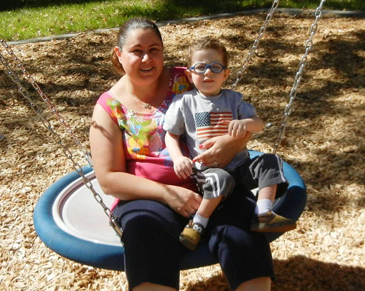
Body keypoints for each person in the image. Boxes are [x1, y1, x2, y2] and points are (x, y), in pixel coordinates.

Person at [90, 18, 276, 291]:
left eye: (154, 50)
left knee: (243, 234)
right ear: (119, 54)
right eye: (136, 50)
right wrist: (168, 193)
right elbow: (108, 179)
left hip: (214, 181)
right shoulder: (109, 108)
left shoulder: (187, 79)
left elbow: (235, 116)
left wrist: (233, 143)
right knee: (145, 236)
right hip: (149, 197)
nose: (146, 59)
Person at [164, 38, 296, 251]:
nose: (208, 73)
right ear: (189, 74)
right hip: (208, 170)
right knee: (221, 178)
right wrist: (178, 158)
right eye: (200, 68)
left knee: (271, 161)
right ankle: (198, 223)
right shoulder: (185, 102)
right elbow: (171, 135)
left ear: (226, 74)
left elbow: (258, 125)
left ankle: (263, 213)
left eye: (215, 67)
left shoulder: (234, 99)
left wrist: (245, 122)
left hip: (241, 166)